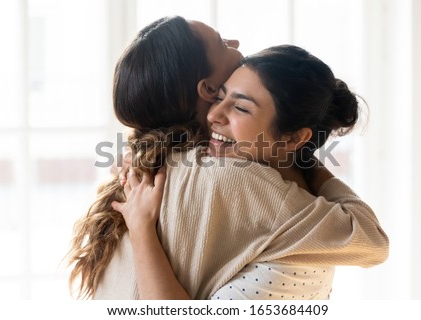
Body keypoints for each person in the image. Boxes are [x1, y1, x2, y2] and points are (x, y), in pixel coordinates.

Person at [66, 16, 388, 300]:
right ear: (207, 90)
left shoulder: (146, 164)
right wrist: (303, 158)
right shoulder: (232, 176)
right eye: (221, 41)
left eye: (240, 105)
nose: (236, 44)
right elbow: (371, 241)